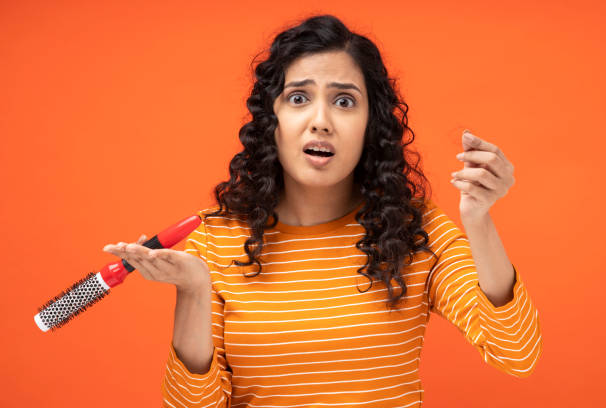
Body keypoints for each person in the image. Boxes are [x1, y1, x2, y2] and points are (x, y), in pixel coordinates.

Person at [103, 14, 542, 407]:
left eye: (345, 101)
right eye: (298, 98)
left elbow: (517, 354)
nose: (321, 120)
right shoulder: (212, 240)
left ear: (372, 123)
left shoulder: (414, 230)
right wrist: (195, 291)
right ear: (271, 119)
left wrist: (478, 220)